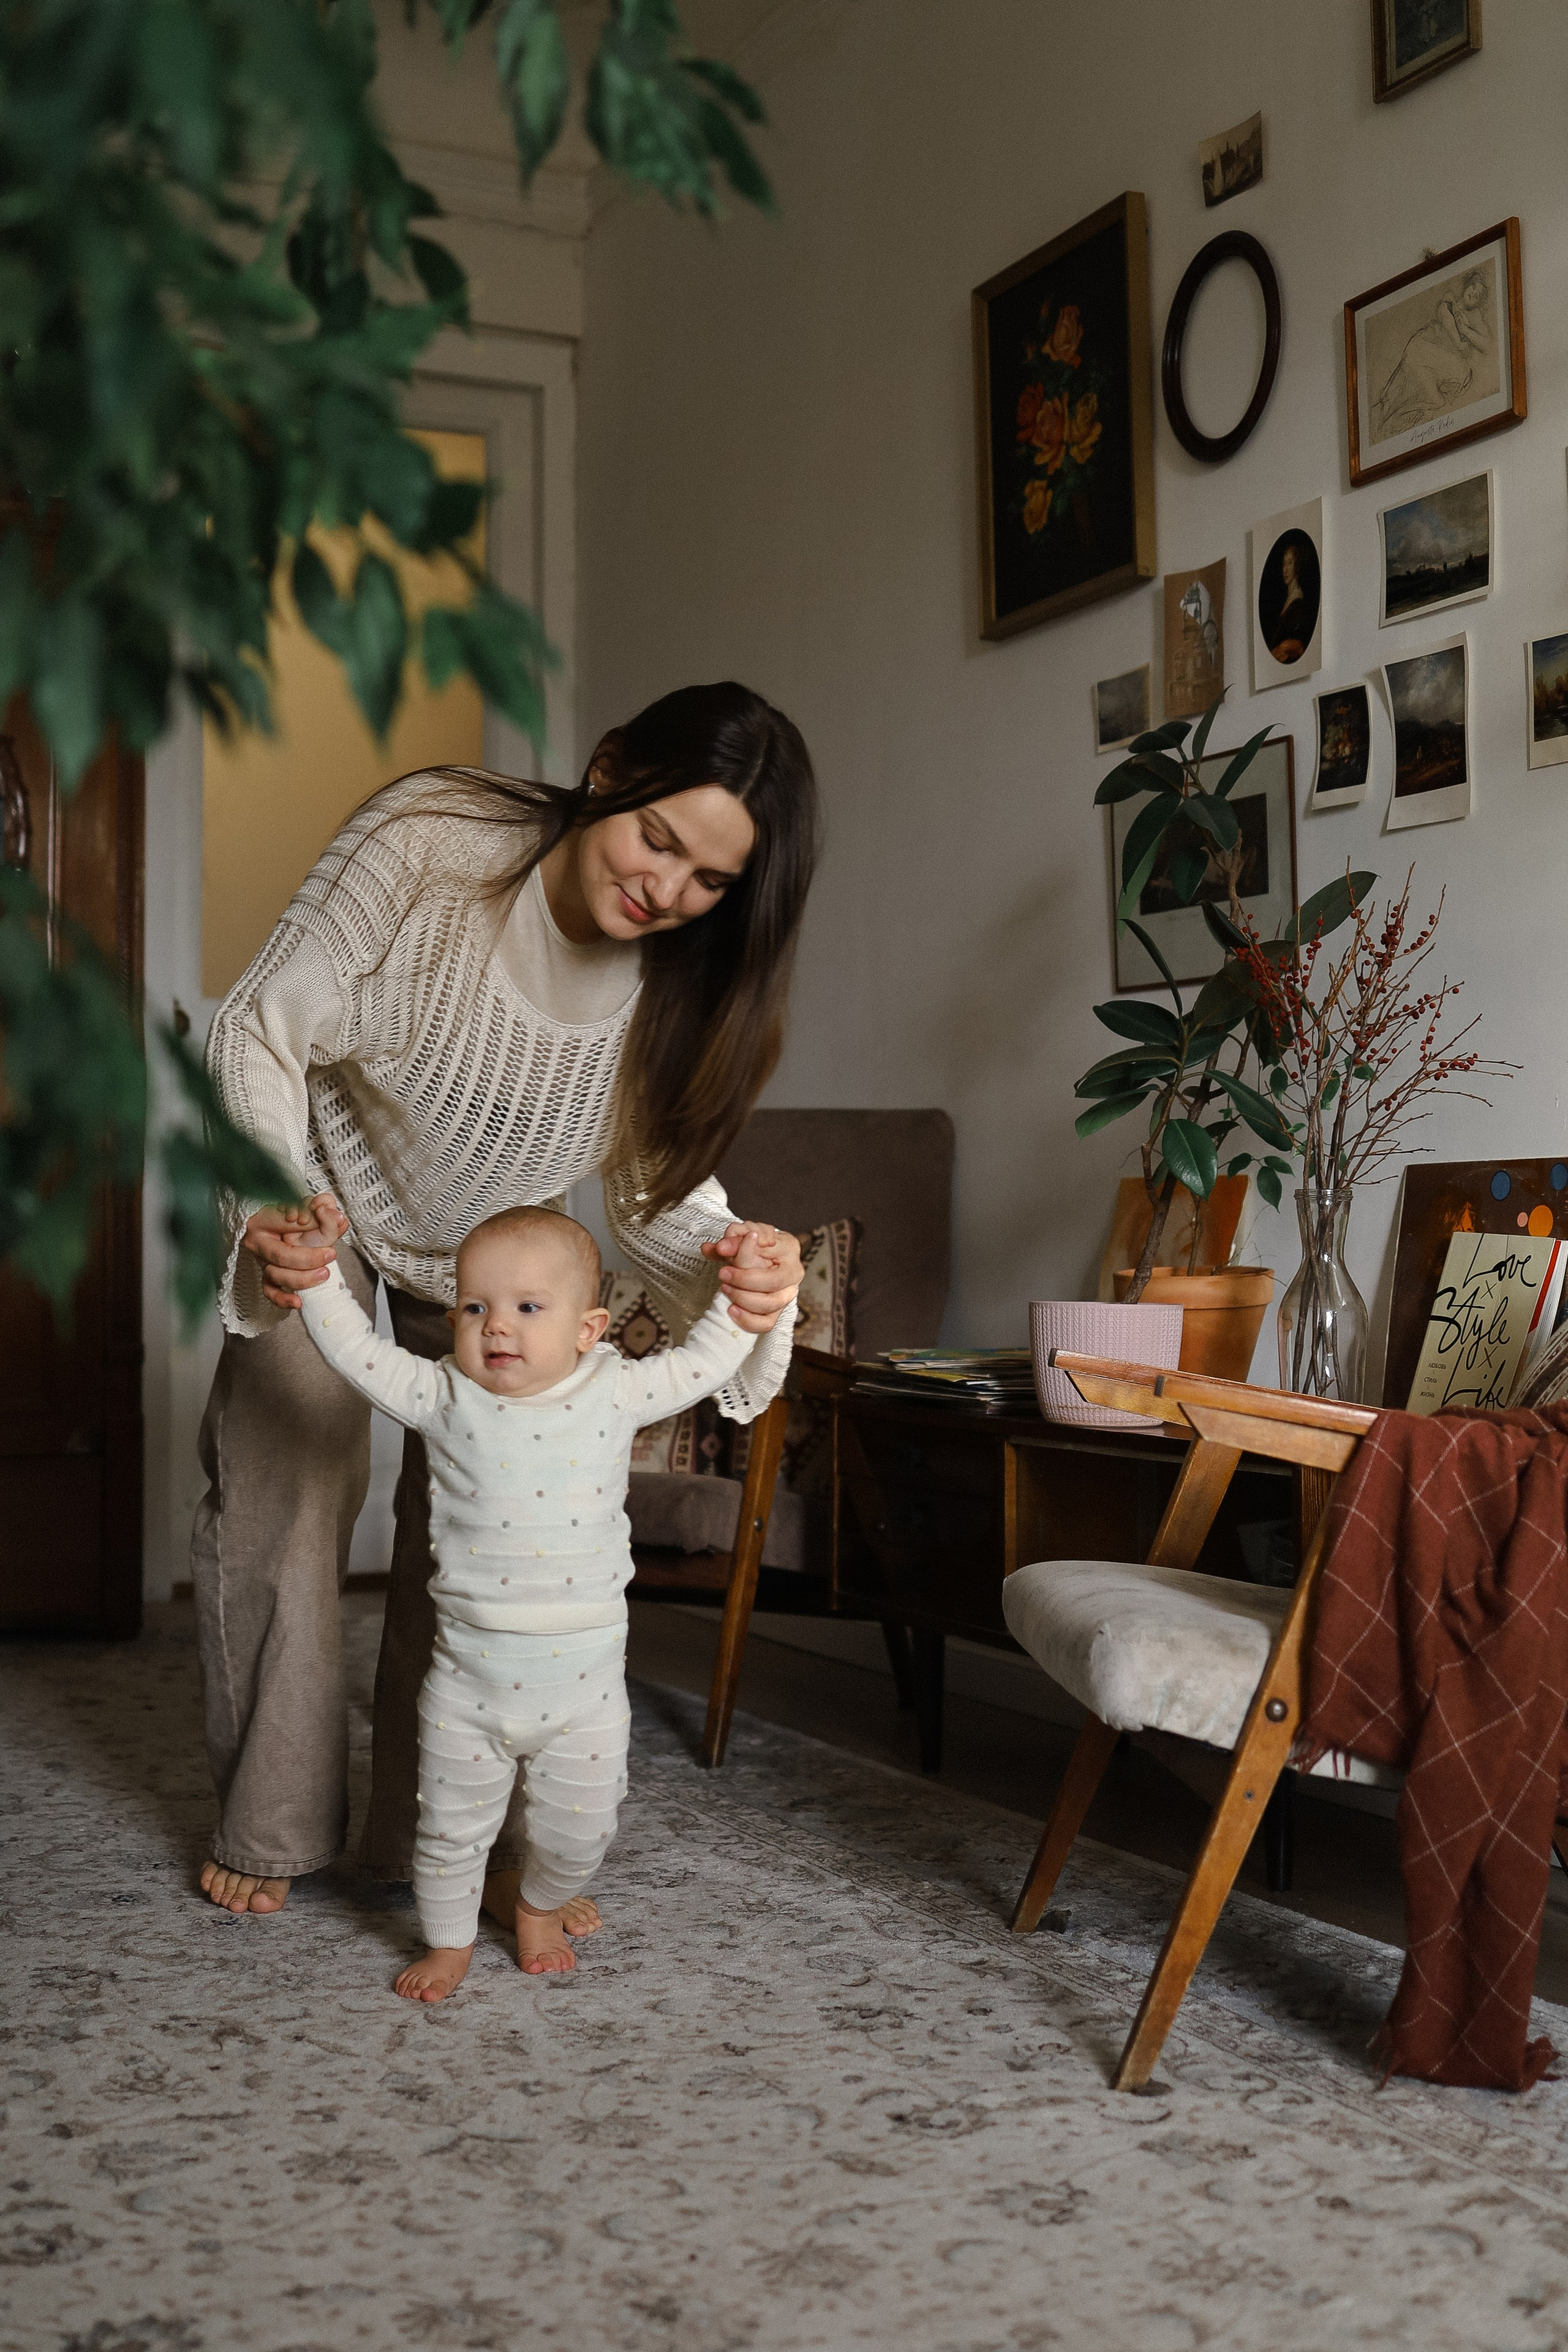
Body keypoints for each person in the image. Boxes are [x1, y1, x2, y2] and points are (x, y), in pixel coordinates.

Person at [192, 681, 819, 1921]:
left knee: (478, 1529)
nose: (664, 889)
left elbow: (656, 1196)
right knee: (289, 1464)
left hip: (496, 1253)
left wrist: (738, 1260)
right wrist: (271, 1207)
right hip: (324, 1185)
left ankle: (427, 1835)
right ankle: (270, 1821)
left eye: (708, 881)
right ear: (606, 772)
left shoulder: (678, 987)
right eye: (658, 838)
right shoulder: (433, 841)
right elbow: (261, 1027)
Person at [287, 1196, 786, 2000]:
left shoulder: (614, 1392)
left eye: (526, 1308)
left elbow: (707, 1360)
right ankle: (447, 1942)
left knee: (582, 1831)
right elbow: (353, 1352)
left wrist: (743, 1292)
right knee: (448, 1832)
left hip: (582, 1691)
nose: (497, 1327)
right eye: (475, 1307)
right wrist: (313, 1277)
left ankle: (538, 1903)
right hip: (466, 1688)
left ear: (588, 1330)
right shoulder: (440, 1395)